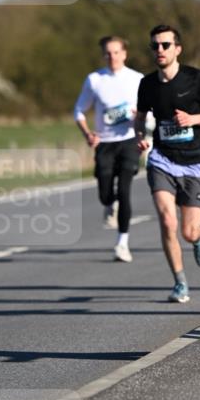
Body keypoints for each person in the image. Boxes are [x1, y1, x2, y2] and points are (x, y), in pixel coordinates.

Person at [135, 24, 200, 303]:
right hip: (161, 160)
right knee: (166, 220)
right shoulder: (147, 84)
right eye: (155, 46)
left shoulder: (195, 79)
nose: (159, 50)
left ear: (177, 49)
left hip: (193, 162)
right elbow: (139, 117)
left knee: (187, 231)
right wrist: (140, 136)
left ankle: (199, 237)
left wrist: (192, 119)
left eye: (165, 45)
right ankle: (180, 282)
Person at [74, 36, 144, 263]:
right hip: (104, 143)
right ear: (103, 55)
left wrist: (140, 121)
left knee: (125, 190)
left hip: (129, 141)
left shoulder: (137, 79)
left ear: (124, 54)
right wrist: (88, 134)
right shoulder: (94, 80)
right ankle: (108, 204)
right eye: (107, 53)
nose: (112, 57)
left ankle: (122, 242)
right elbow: (79, 111)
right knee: (106, 193)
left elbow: (150, 112)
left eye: (116, 52)